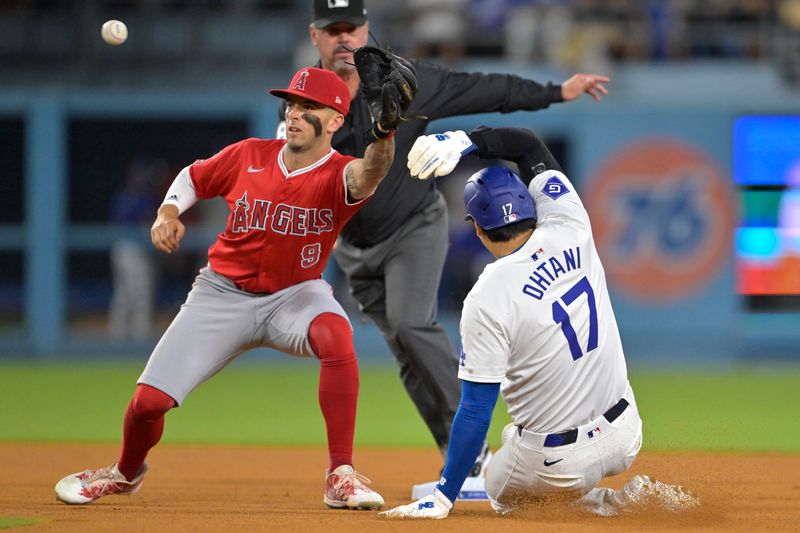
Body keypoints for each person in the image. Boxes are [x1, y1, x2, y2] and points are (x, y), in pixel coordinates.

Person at [279, 0, 611, 470]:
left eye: (350, 27)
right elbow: (291, 173)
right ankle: (458, 455)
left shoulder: (406, 81)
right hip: (353, 247)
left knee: (412, 323)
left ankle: (475, 445)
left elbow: (485, 89)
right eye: (332, 30)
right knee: (406, 353)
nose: (344, 38)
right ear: (314, 36)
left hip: (413, 225)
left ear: (366, 28)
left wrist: (557, 90)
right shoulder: (304, 99)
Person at [54, 66, 401, 510]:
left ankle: (341, 473)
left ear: (335, 120)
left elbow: (372, 170)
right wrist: (168, 212)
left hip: (295, 294)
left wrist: (385, 130)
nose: (294, 113)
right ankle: (125, 472)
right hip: (221, 293)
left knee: (335, 334)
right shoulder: (250, 154)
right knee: (148, 404)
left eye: (308, 107)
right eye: (291, 104)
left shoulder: (340, 173)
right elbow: (193, 178)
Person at [381, 125, 644, 518]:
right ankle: (609, 493)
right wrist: (467, 141)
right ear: (530, 205)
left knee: (500, 490)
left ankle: (597, 505)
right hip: (627, 435)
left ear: (476, 227)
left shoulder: (488, 295)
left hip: (558, 466)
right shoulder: (570, 224)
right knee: (525, 441)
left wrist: (443, 495)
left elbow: (475, 410)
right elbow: (529, 145)